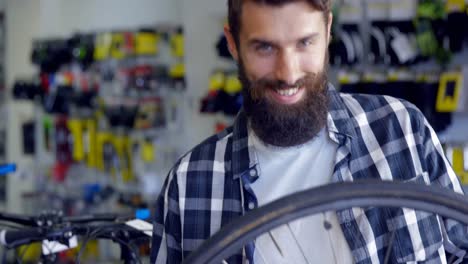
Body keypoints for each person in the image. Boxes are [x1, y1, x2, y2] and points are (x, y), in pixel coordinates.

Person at [151, 0, 468, 263]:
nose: (288, 73)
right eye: (264, 48)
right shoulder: (189, 183)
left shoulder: (403, 130)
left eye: (305, 42)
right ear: (233, 43)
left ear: (328, 30)